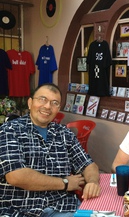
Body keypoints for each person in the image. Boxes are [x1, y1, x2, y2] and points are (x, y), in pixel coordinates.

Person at [0, 83, 101, 217]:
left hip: (63, 207)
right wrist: (64, 183)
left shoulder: (64, 133)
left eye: (54, 103)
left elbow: (88, 165)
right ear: (30, 103)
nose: (47, 106)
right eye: (42, 99)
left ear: (58, 108)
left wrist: (92, 182)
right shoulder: (9, 130)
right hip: (19, 209)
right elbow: (16, 176)